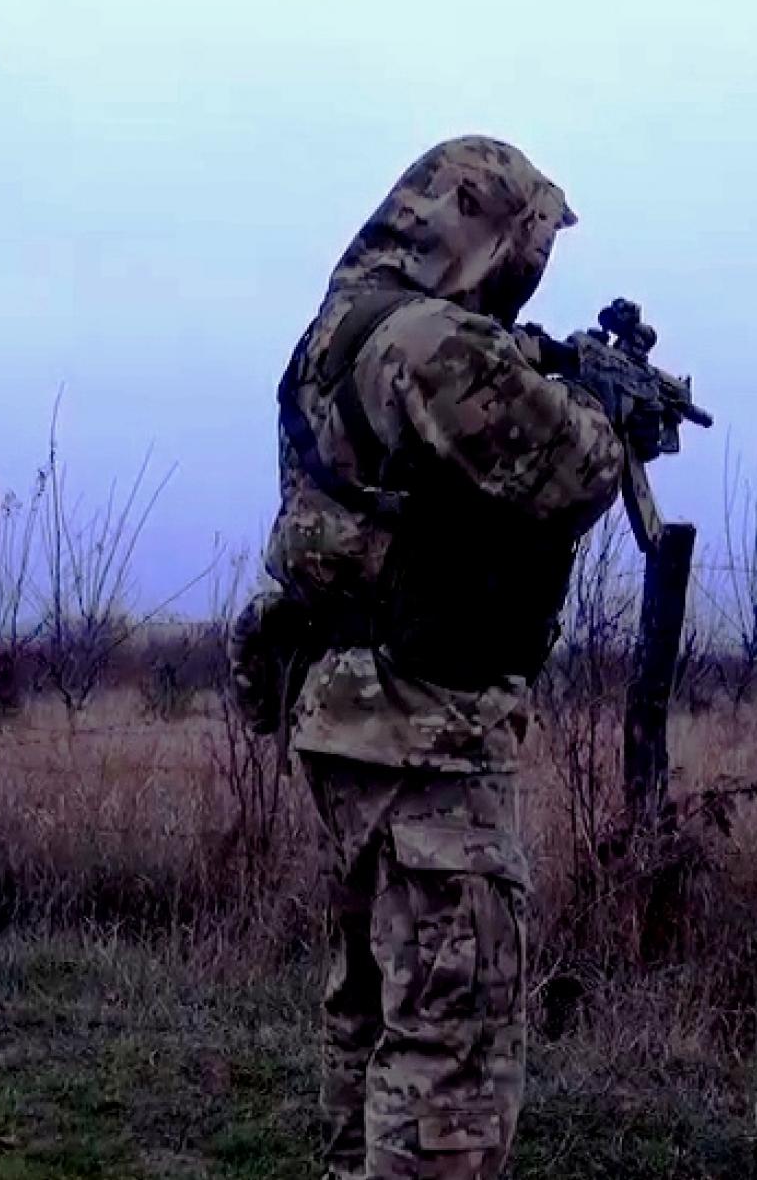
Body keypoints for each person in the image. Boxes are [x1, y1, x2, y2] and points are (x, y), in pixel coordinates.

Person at [230, 136, 642, 1179]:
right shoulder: (423, 341)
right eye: (522, 248)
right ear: (480, 230)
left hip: (350, 718)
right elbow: (571, 470)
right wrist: (612, 410)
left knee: (375, 1008)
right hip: (421, 729)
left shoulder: (338, 332)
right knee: (452, 1031)